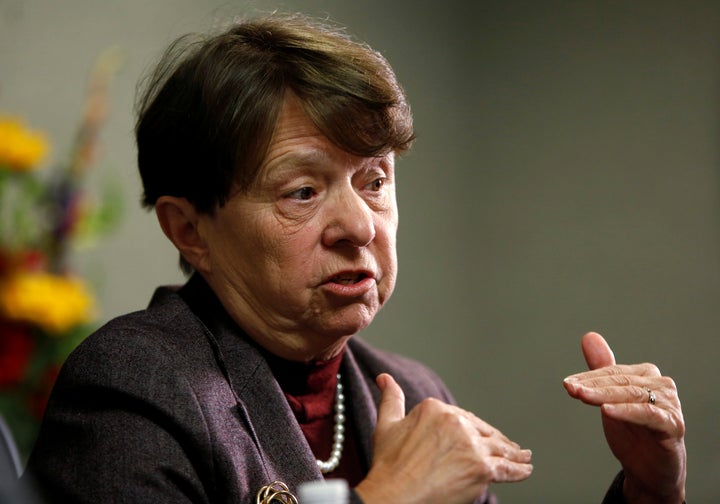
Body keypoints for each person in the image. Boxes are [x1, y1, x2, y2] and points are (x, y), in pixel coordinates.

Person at [24, 13, 686, 504]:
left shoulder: (415, 392)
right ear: (190, 230)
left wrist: (647, 493)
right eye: (304, 190)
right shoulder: (137, 384)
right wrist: (390, 498)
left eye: (374, 181)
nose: (360, 225)